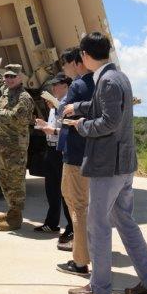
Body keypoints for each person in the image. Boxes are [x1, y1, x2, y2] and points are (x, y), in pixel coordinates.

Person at [63, 32, 147, 294]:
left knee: (97, 225)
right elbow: (105, 107)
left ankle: (99, 287)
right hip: (124, 165)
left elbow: (108, 121)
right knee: (124, 221)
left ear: (85, 56)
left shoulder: (106, 81)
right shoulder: (118, 76)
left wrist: (81, 125)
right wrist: (78, 107)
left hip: (108, 166)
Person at [55, 47, 95, 277]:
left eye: (66, 65)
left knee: (77, 205)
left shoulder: (79, 86)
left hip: (75, 154)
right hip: (90, 154)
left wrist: (59, 106)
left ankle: (80, 261)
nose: (65, 70)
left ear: (76, 63)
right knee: (84, 205)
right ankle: (85, 253)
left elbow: (64, 114)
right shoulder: (98, 84)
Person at [0, 60, 35, 231]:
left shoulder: (24, 97)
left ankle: (15, 218)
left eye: (12, 77)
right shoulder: (7, 90)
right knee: (5, 180)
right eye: (7, 76)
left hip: (15, 147)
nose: (8, 79)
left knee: (15, 182)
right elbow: (0, 84)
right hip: (3, 145)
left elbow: (18, 117)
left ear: (20, 77)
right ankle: (11, 210)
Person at [34, 73, 72, 233]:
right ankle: (52, 223)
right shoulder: (53, 106)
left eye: (57, 85)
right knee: (51, 190)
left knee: (65, 192)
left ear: (66, 86)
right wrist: (44, 126)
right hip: (50, 149)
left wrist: (53, 131)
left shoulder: (68, 105)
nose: (53, 88)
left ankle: (71, 227)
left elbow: (69, 129)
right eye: (53, 85)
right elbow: (53, 125)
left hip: (61, 151)